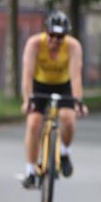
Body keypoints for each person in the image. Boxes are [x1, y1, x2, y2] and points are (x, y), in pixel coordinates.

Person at [21, 11, 88, 188]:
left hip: (63, 85)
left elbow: (76, 77)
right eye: (52, 35)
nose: (55, 41)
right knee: (34, 123)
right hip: (39, 85)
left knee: (68, 118)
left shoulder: (73, 46)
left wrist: (79, 102)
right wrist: (27, 100)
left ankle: (64, 152)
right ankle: (30, 171)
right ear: (46, 32)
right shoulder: (34, 43)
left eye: (60, 37)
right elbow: (27, 75)